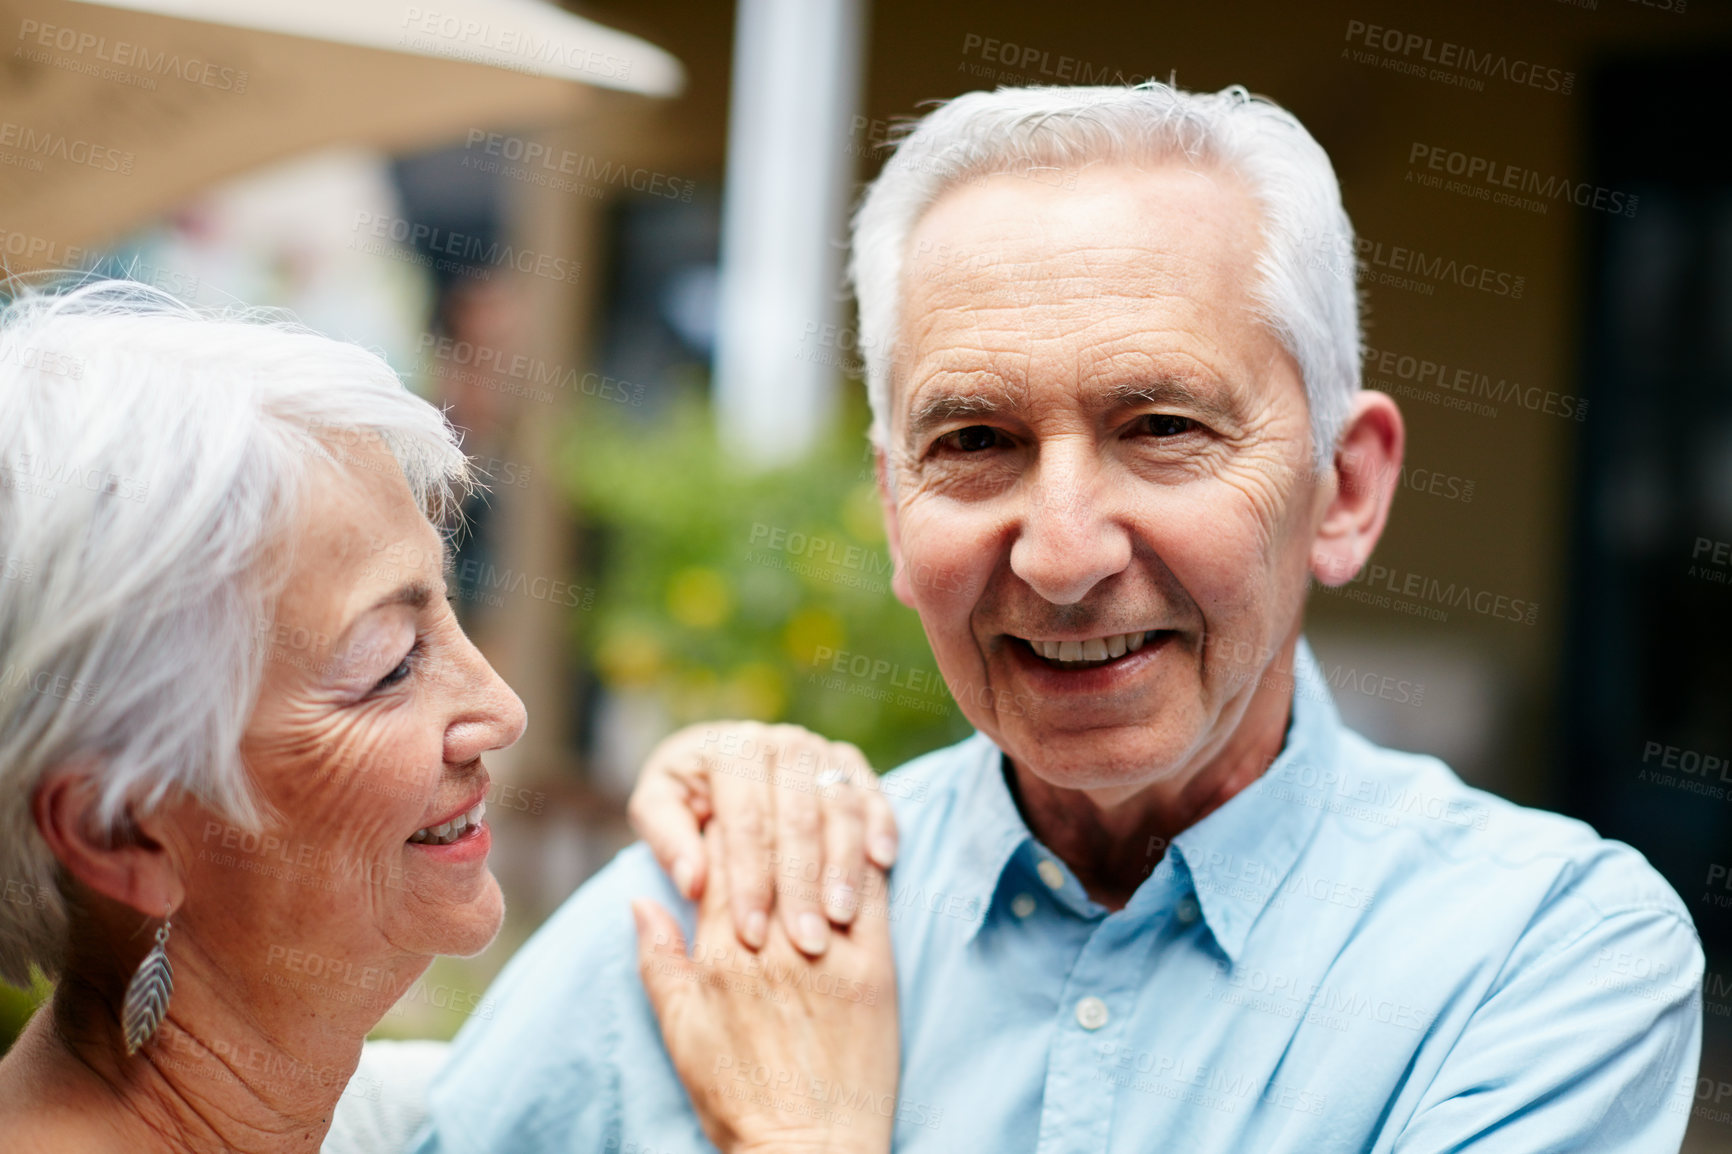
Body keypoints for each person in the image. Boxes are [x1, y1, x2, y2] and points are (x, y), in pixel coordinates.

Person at [417, 81, 1705, 1153]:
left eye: (1162, 428)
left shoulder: (1538, 957)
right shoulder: (727, 908)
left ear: (1345, 487)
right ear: (890, 503)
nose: (1063, 550)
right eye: (974, 440)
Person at [0, 281, 899, 1154]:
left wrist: (753, 781)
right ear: (119, 830)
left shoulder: (368, 1113)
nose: (500, 710)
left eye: (447, 608)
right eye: (389, 663)